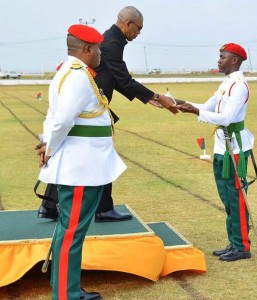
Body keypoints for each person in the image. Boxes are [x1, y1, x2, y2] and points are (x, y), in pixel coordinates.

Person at [37, 6, 177, 222]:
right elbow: (123, 79)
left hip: (91, 106)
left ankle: (50, 206)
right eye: (138, 29)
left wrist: (150, 99)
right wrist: (156, 97)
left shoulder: (113, 41)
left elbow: (117, 79)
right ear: (128, 24)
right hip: (90, 108)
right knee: (98, 154)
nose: (138, 33)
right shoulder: (111, 43)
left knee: (85, 154)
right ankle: (101, 209)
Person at [37, 24, 127, 300]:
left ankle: (66, 288)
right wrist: (49, 147)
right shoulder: (77, 76)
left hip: (85, 167)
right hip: (81, 169)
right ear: (87, 49)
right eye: (98, 47)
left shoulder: (73, 71)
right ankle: (66, 294)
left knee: (70, 231)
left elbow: (55, 117)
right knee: (72, 233)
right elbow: (62, 119)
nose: (100, 52)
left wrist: (47, 142)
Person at [174, 43, 254, 262]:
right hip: (222, 147)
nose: (218, 60)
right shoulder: (226, 82)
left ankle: (242, 247)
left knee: (236, 197)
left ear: (235, 60)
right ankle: (234, 242)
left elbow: (226, 118)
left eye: (222, 57)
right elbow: (207, 107)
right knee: (227, 198)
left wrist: (195, 110)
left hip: (235, 148)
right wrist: (184, 104)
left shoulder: (239, 85)